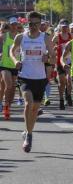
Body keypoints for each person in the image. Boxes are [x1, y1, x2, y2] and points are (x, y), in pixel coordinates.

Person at [10, 11, 55, 152]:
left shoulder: (45, 38)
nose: (33, 26)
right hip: (25, 76)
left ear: (40, 24)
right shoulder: (20, 37)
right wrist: (16, 60)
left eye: (36, 24)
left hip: (40, 78)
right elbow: (12, 51)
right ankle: (29, 136)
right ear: (27, 23)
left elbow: (53, 56)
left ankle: (27, 132)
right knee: (28, 103)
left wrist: (47, 59)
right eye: (31, 23)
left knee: (35, 109)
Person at [0, 17, 19, 119]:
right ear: (10, 25)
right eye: (12, 24)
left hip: (15, 66)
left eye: (15, 24)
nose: (14, 26)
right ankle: (6, 107)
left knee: (12, 89)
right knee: (8, 85)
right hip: (4, 65)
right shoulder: (4, 36)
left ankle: (8, 106)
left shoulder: (20, 37)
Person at [52, 20, 73, 109]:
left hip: (69, 61)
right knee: (62, 82)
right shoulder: (57, 37)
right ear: (60, 27)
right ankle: (61, 99)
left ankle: (68, 95)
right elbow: (50, 48)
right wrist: (55, 48)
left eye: (66, 27)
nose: (64, 28)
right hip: (60, 62)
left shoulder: (71, 37)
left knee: (69, 80)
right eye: (63, 27)